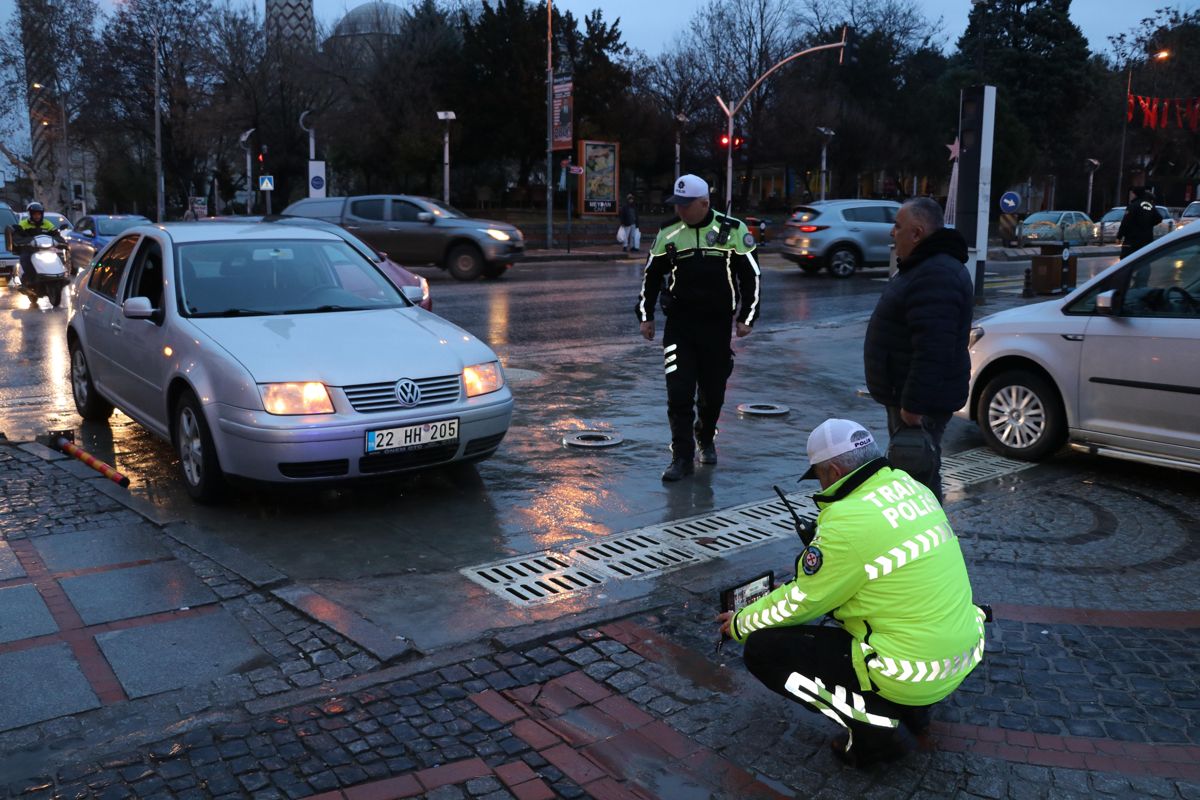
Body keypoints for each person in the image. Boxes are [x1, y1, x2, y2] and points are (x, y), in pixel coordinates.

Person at [718, 418, 986, 768]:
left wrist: (741, 623)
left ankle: (877, 730)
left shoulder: (847, 521)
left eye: (817, 474)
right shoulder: (911, 487)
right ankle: (914, 710)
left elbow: (802, 600)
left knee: (762, 650)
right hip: (959, 652)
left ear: (832, 470)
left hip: (911, 671)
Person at [636, 174, 761, 482]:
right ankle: (681, 457)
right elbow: (651, 277)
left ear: (705, 203)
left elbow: (752, 277)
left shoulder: (733, 231)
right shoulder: (669, 233)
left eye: (686, 205)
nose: (680, 210)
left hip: (717, 328)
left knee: (713, 394)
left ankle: (705, 436)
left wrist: (747, 316)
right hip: (680, 326)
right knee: (678, 392)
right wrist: (645, 315)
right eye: (676, 205)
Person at [863, 197, 972, 503]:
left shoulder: (936, 274)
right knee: (914, 471)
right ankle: (921, 538)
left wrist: (913, 405)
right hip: (907, 395)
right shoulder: (925, 267)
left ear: (917, 232)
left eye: (898, 226)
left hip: (916, 403)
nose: (891, 233)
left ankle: (928, 541)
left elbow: (933, 347)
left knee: (917, 473)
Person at [11, 202, 65, 285]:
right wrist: (22, 241)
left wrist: (62, 242)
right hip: (29, 249)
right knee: (25, 258)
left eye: (39, 214)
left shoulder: (47, 223)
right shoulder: (23, 224)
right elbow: (18, 236)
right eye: (35, 214)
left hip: (46, 249)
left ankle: (61, 276)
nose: (37, 216)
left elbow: (56, 234)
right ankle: (29, 279)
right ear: (30, 214)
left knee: (58, 257)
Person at [1116, 187, 1163, 258]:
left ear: (1135, 194)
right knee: (1144, 260)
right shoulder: (1150, 205)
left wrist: (1119, 236)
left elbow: (1125, 222)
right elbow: (1159, 218)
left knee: (1127, 260)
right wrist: (1148, 224)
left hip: (1132, 239)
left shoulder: (1133, 205)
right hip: (1147, 239)